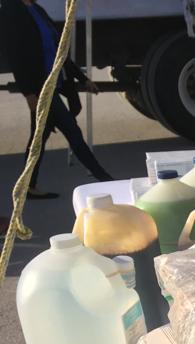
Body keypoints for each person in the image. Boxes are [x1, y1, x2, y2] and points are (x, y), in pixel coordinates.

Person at [1, 0, 113, 199]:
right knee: (72, 132)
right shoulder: (11, 10)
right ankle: (106, 180)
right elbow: (16, 55)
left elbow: (58, 52)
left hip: (54, 84)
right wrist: (28, 93)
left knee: (38, 139)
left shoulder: (36, 9)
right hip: (40, 89)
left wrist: (83, 79)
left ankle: (27, 187)